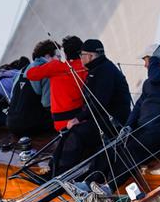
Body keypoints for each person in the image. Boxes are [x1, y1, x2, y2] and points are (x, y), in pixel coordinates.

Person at [110, 43, 160, 189]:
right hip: (147, 128)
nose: (145, 65)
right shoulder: (150, 82)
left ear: (157, 58)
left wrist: (154, 58)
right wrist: (128, 126)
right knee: (114, 147)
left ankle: (109, 187)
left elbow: (156, 78)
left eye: (146, 60)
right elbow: (139, 105)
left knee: (133, 148)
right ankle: (91, 184)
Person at [53, 39, 131, 176]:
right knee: (66, 132)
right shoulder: (99, 68)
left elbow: (99, 102)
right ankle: (54, 169)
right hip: (102, 118)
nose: (80, 58)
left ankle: (62, 174)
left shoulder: (104, 72)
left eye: (82, 54)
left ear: (90, 56)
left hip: (113, 122)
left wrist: (78, 119)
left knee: (76, 133)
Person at [25, 35, 87, 132]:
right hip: (80, 120)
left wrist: (44, 62)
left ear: (65, 53)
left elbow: (30, 74)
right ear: (81, 52)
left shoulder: (55, 66)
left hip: (59, 123)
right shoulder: (86, 68)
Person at [7, 43, 55, 137]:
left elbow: (12, 96)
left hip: (10, 123)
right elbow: (47, 103)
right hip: (29, 126)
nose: (59, 60)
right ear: (48, 56)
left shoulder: (20, 71)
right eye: (57, 56)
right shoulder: (45, 71)